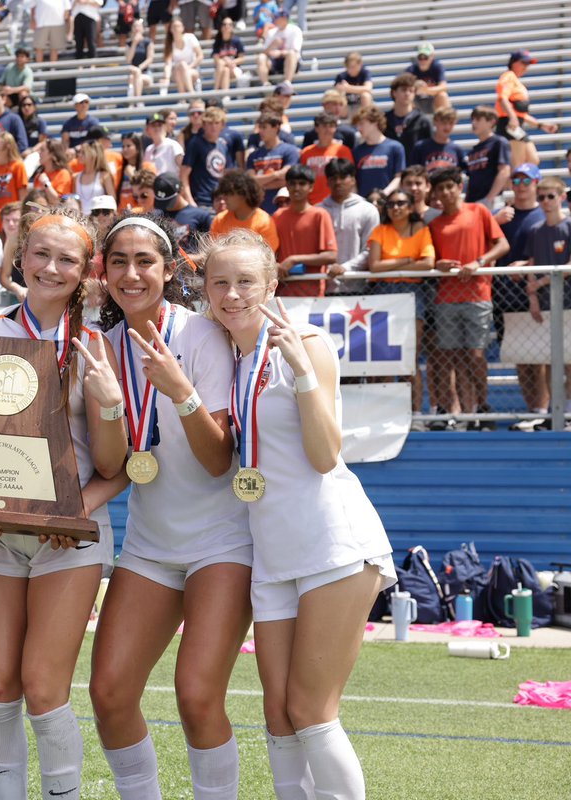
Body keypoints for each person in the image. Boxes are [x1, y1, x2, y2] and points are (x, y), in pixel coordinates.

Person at [207, 224, 398, 799]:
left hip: (331, 543)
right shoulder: (230, 355)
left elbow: (325, 456)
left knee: (312, 710)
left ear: (271, 284)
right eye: (220, 283)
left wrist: (306, 374)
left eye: (246, 281)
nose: (233, 294)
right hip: (273, 550)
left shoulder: (305, 340)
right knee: (278, 714)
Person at [0, 210, 125, 800]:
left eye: (67, 259)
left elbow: (116, 466)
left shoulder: (99, 345)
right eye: (40, 254)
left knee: (43, 686)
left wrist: (107, 406)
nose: (51, 268)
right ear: (20, 259)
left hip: (70, 535)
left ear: (85, 272)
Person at [91, 213, 250, 800]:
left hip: (222, 541)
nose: (132, 274)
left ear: (169, 269)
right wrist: (108, 407)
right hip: (151, 543)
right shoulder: (100, 347)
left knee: (197, 694)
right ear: (102, 273)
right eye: (119, 263)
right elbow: (113, 465)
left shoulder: (201, 335)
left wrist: (180, 390)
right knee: (109, 693)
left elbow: (217, 460)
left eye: (145, 262)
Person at [428, 168, 510, 430]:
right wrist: (437, 264)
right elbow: (430, 259)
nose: (445, 193)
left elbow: (502, 245)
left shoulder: (479, 211)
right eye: (440, 189)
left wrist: (479, 262)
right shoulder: (434, 224)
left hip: (477, 295)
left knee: (475, 355)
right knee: (454, 358)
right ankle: (466, 414)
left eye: (449, 186)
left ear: (459, 187)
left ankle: (482, 406)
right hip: (446, 298)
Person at [367, 188, 435, 415]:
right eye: (391, 204)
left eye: (401, 203)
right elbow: (374, 266)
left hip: (413, 292)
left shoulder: (421, 229)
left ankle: (415, 413)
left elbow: (428, 263)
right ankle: (389, 414)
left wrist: (394, 264)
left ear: (410, 206)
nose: (396, 208)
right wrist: (407, 260)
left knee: (410, 357)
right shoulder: (380, 230)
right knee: (386, 358)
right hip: (385, 293)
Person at [514, 177, 571, 430]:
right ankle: (551, 409)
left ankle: (568, 411)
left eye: (551, 196)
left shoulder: (569, 226)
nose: (546, 202)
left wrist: (540, 283)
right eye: (542, 197)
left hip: (569, 302)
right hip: (546, 304)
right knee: (548, 361)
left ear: (562, 197)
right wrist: (533, 297)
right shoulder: (536, 230)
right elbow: (532, 265)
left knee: (570, 361)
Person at [273, 165, 337, 298]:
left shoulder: (320, 215)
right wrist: (275, 265)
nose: (297, 188)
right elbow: (269, 252)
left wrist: (294, 260)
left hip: (312, 295)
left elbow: (331, 256)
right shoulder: (278, 216)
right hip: (282, 293)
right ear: (287, 186)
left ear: (311, 187)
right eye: (292, 184)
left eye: (302, 184)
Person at [317, 158, 378, 294]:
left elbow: (370, 250)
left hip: (359, 288)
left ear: (353, 179)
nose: (338, 182)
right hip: (322, 287)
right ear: (327, 181)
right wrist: (329, 270)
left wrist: (345, 268)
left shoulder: (368, 210)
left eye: (343, 177)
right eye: (333, 178)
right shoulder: (317, 211)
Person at [496, 50, 558, 167]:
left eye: (528, 64)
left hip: (515, 125)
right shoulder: (508, 76)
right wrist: (512, 117)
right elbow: (502, 98)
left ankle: (520, 183)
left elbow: (521, 114)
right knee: (518, 164)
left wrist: (540, 125)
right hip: (508, 125)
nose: (526, 67)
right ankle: (515, 184)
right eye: (524, 63)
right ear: (514, 63)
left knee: (532, 160)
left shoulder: (516, 81)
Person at [211, 170, 280, 250]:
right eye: (224, 193)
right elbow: (213, 252)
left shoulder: (265, 222)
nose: (224, 198)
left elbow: (267, 256)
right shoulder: (219, 220)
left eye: (229, 193)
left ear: (244, 194)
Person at [181, 107, 235, 208]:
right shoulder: (195, 143)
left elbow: (226, 174)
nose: (213, 127)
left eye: (216, 123)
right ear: (204, 125)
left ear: (222, 125)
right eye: (210, 123)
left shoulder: (224, 144)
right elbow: (184, 175)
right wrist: (190, 200)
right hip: (201, 201)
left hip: (220, 202)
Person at [248, 113, 300, 213]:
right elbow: (250, 181)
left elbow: (287, 179)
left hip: (284, 208)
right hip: (260, 209)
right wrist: (276, 175)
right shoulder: (254, 155)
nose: (260, 131)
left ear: (276, 127)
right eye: (260, 128)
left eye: (264, 128)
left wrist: (261, 183)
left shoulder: (290, 151)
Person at [299, 112, 354, 206]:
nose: (328, 129)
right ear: (316, 128)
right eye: (324, 126)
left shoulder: (343, 150)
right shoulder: (306, 152)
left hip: (337, 203)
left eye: (331, 126)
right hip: (312, 203)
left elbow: (351, 178)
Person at [351, 106, 406, 198]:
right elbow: (354, 181)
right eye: (357, 125)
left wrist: (383, 194)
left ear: (374, 123)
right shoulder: (357, 151)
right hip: (365, 203)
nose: (358, 128)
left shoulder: (395, 147)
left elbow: (399, 177)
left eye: (361, 124)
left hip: (388, 203)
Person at [465, 106, 512, 207]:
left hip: (491, 202)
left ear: (491, 121)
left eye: (478, 119)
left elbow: (504, 171)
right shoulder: (474, 150)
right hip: (473, 202)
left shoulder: (498, 142)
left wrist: (489, 198)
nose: (473, 123)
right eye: (472, 120)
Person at [384, 73, 432, 165]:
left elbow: (429, 149)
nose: (407, 94)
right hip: (390, 172)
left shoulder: (423, 121)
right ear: (394, 93)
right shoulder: (384, 120)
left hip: (415, 173)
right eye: (403, 90)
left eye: (411, 90)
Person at [410, 106, 466, 176]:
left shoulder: (457, 149)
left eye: (451, 123)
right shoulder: (421, 147)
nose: (447, 127)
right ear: (435, 122)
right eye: (444, 122)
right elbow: (414, 173)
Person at [256, 10, 302, 86]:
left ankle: (287, 82)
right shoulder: (271, 32)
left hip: (291, 60)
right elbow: (264, 53)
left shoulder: (295, 30)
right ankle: (265, 83)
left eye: (277, 18)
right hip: (274, 62)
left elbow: (295, 50)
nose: (275, 19)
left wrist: (280, 53)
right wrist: (272, 46)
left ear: (284, 19)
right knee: (261, 57)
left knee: (291, 54)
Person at [161, 18, 204, 97]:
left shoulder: (190, 37)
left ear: (182, 28)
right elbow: (168, 64)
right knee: (180, 67)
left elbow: (200, 55)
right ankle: (191, 94)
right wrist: (166, 77)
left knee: (182, 67)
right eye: (174, 26)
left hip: (192, 70)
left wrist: (188, 67)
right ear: (171, 29)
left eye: (178, 26)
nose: (176, 29)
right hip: (177, 71)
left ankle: (183, 97)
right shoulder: (170, 44)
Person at [211, 17, 246, 95]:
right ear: (221, 27)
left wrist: (230, 62)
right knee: (225, 69)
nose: (227, 26)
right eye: (224, 24)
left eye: (230, 24)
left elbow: (242, 58)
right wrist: (225, 61)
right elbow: (216, 59)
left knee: (223, 65)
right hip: (221, 69)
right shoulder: (217, 41)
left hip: (235, 68)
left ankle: (215, 89)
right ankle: (226, 95)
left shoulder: (237, 41)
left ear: (232, 27)